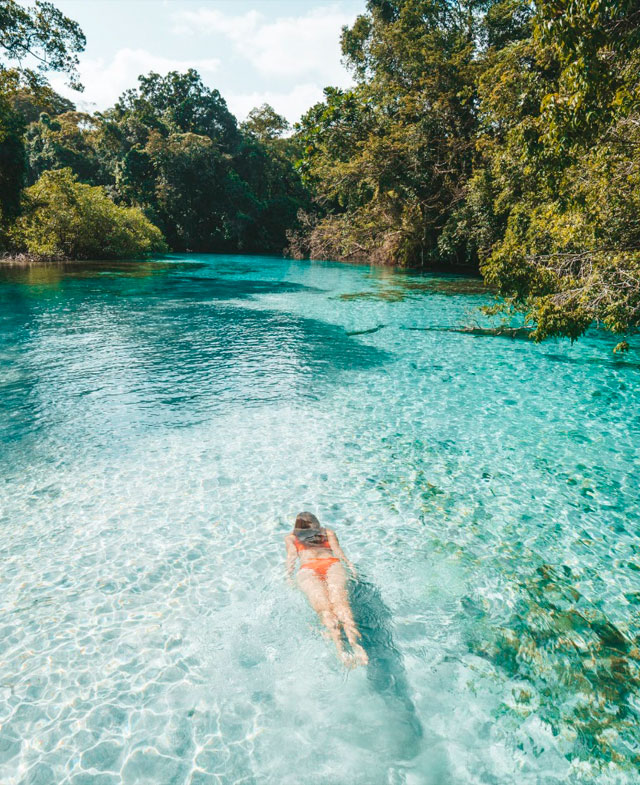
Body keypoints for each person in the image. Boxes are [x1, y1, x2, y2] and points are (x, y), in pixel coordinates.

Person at [285, 511, 368, 666]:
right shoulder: (322, 533)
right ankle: (350, 646)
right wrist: (350, 566)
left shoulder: (296, 537)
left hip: (314, 567)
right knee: (336, 606)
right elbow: (338, 552)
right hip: (327, 564)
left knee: (330, 608)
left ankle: (345, 649)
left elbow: (291, 558)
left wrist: (288, 576)